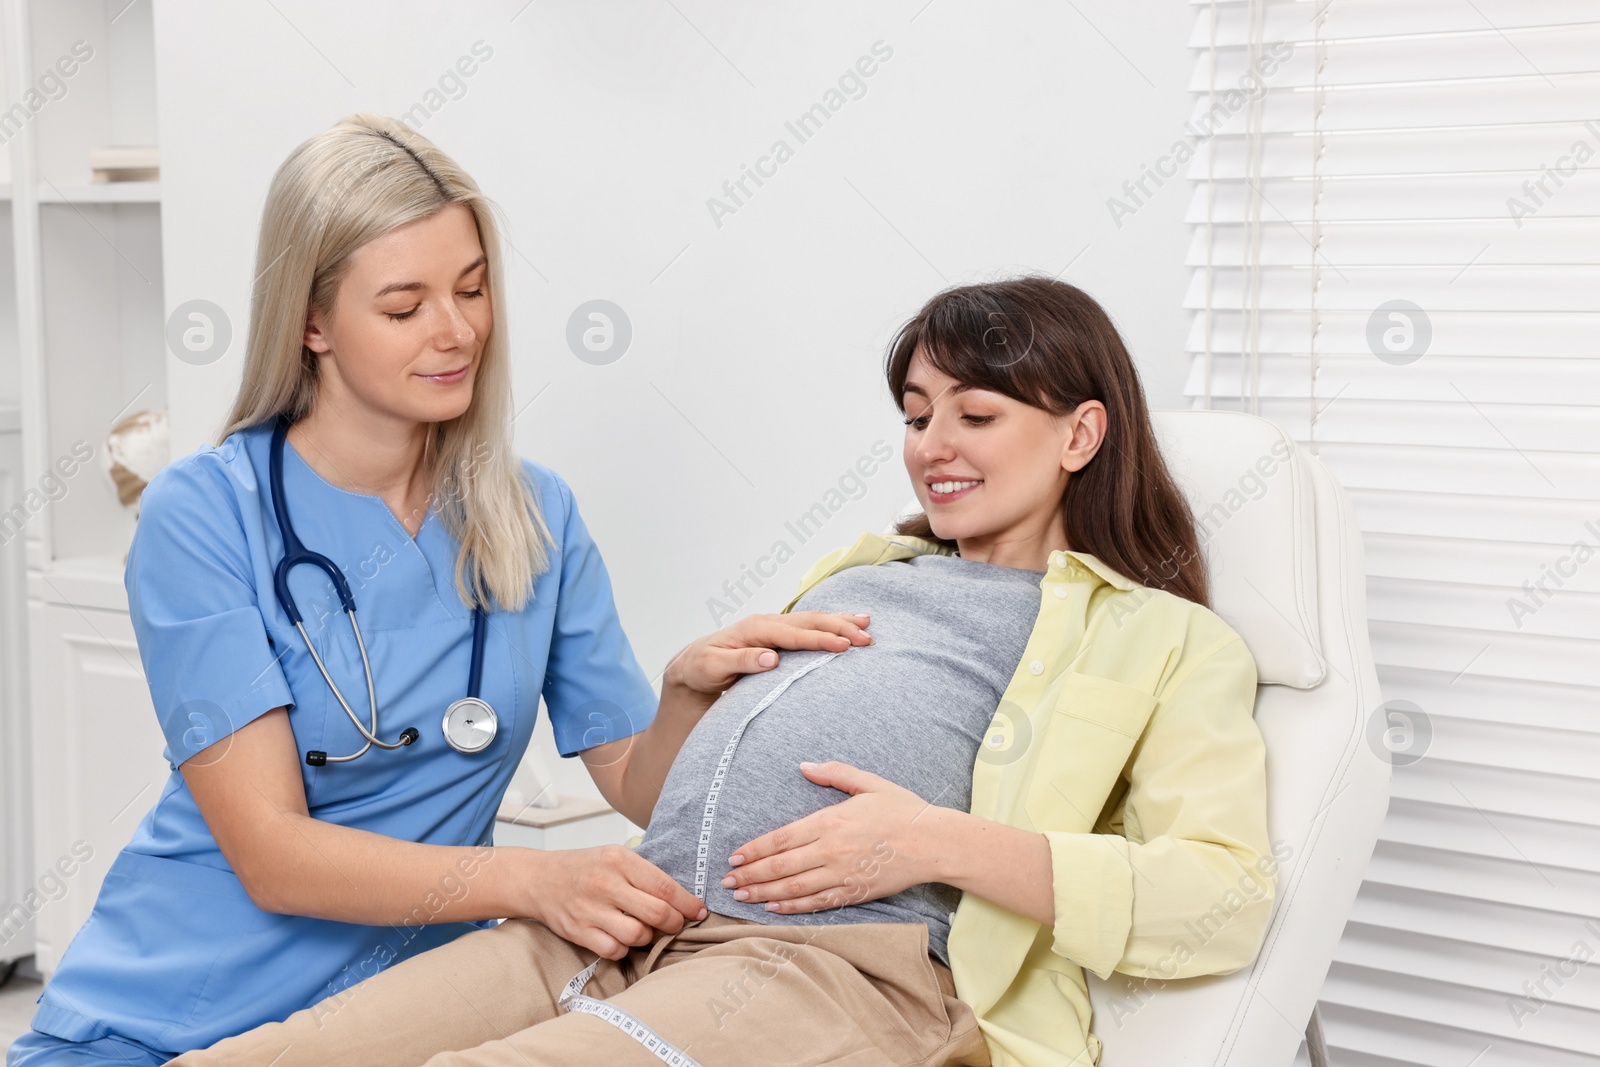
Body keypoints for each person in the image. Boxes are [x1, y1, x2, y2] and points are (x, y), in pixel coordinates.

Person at [162, 276, 1275, 1067]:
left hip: (833, 964)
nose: (933, 443)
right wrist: (690, 693)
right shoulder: (866, 566)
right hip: (637, 919)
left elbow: (1221, 897)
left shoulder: (1161, 639)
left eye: (975, 414)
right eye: (916, 414)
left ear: (1080, 433)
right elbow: (686, 788)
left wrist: (936, 841)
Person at [4, 114, 871, 1067]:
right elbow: (273, 853)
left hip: (408, 1022)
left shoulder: (531, 512)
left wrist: (684, 699)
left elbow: (637, 786)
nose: (456, 331)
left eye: (471, 288)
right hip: (167, 1018)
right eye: (404, 305)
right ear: (312, 321)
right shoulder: (205, 514)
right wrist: (530, 881)